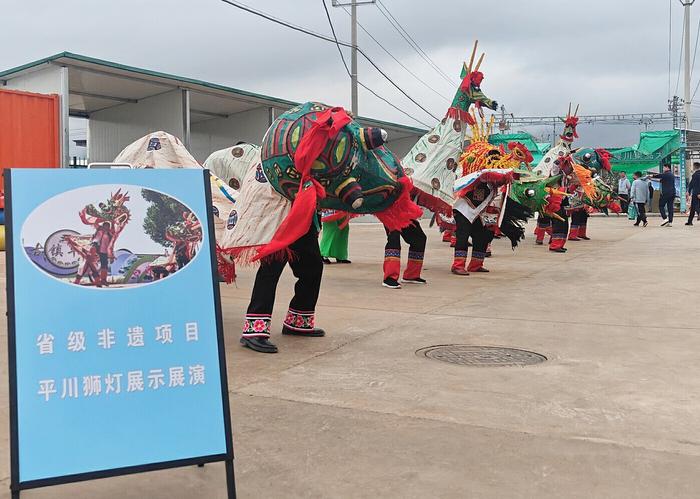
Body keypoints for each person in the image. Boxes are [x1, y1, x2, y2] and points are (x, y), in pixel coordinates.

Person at [383, 219, 427, 288]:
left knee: (419, 239)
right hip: (389, 213)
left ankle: (411, 275)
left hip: (404, 211)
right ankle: (389, 278)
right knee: (394, 237)